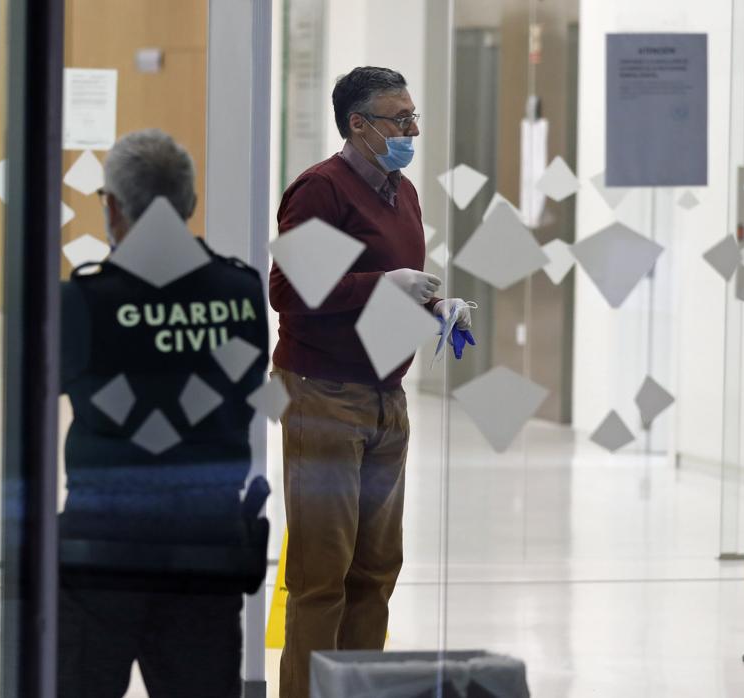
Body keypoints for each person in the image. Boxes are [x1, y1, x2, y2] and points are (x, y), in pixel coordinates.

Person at [271, 67, 473, 698]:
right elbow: (288, 292)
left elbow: (394, 279)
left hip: (387, 394)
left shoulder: (400, 190)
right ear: (357, 126)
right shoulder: (321, 191)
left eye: (414, 116)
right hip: (323, 392)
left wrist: (433, 306)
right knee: (322, 576)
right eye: (399, 118)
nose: (412, 129)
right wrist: (379, 287)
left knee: (378, 568)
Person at [58, 129, 269, 697]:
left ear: (111, 206)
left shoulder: (83, 302)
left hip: (103, 543)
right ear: (190, 204)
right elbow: (237, 383)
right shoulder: (241, 292)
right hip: (205, 543)